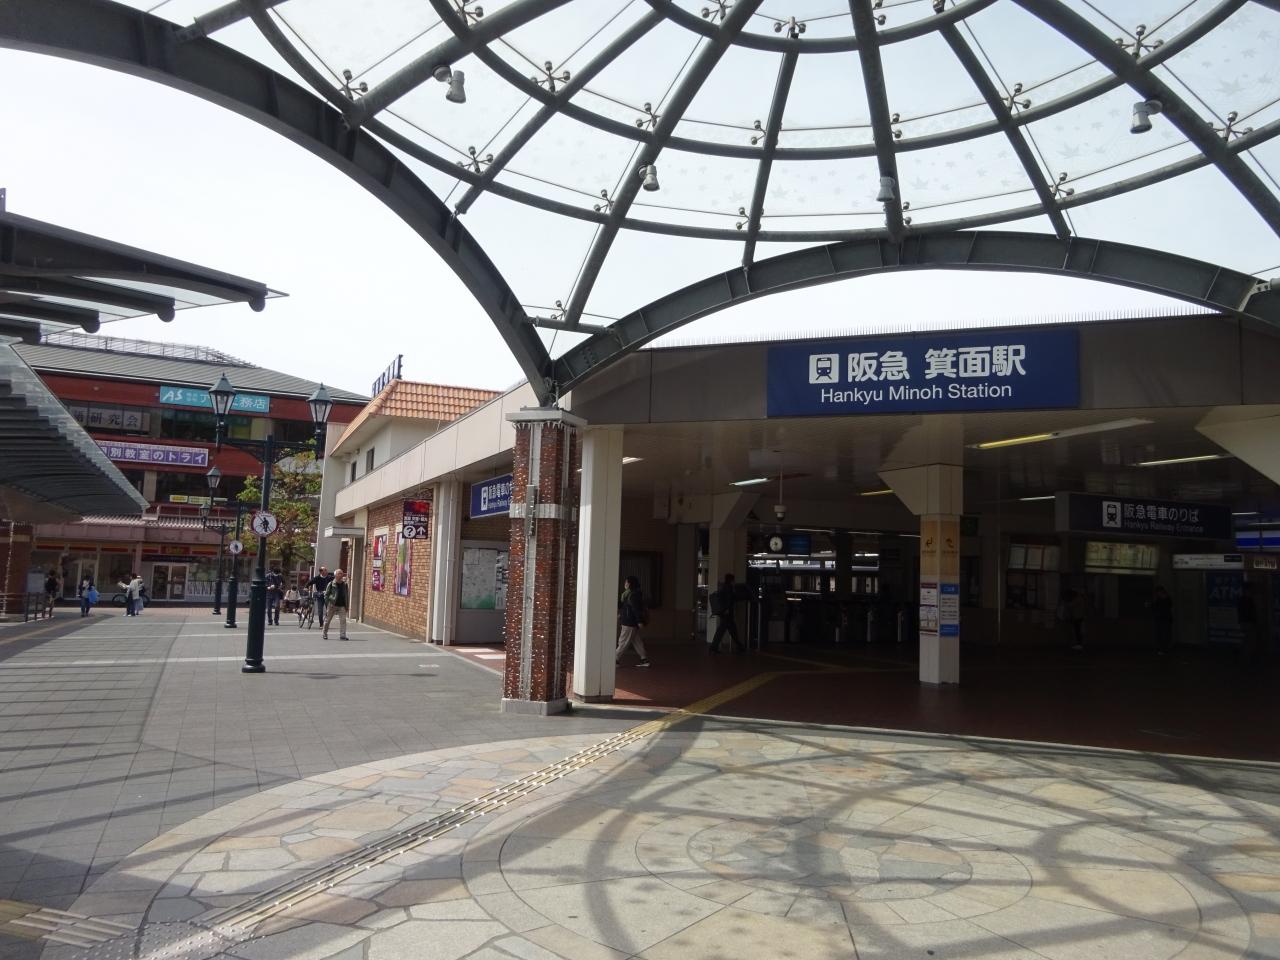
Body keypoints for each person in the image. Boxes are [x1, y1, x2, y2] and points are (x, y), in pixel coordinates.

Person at [614, 575, 650, 668]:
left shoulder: (633, 595)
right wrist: (621, 615)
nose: (625, 584)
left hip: (629, 622)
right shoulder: (629, 594)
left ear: (630, 584)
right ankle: (644, 659)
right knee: (637, 642)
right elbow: (628, 608)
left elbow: (635, 609)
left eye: (626, 582)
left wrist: (639, 621)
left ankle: (614, 659)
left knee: (623, 642)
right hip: (630, 622)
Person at [710, 573, 744, 654]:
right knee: (724, 631)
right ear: (731, 580)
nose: (734, 582)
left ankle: (739, 646)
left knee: (731, 630)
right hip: (727, 614)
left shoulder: (723, 587)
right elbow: (730, 599)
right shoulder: (729, 588)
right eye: (734, 580)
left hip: (724, 613)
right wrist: (727, 609)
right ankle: (713, 647)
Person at [322, 568, 351, 640]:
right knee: (327, 620)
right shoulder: (331, 584)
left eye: (342, 573)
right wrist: (328, 604)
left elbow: (346, 596)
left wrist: (347, 606)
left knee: (343, 620)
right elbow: (326, 595)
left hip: (342, 605)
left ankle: (342, 635)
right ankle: (324, 634)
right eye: (339, 573)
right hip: (332, 605)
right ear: (335, 575)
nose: (341, 575)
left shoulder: (345, 584)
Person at [1238, 581, 1260, 660]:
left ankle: (1245, 657)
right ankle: (1247, 657)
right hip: (1249, 622)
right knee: (1250, 640)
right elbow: (1250, 612)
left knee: (1247, 640)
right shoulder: (1248, 600)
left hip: (1245, 622)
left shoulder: (1242, 600)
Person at [1151, 585, 1173, 655]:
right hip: (1160, 619)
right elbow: (1155, 607)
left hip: (1165, 619)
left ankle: (1164, 649)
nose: (1157, 594)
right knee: (1160, 635)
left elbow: (1166, 608)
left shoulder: (1166, 599)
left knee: (1165, 635)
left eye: (1158, 592)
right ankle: (1161, 649)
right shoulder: (1159, 599)